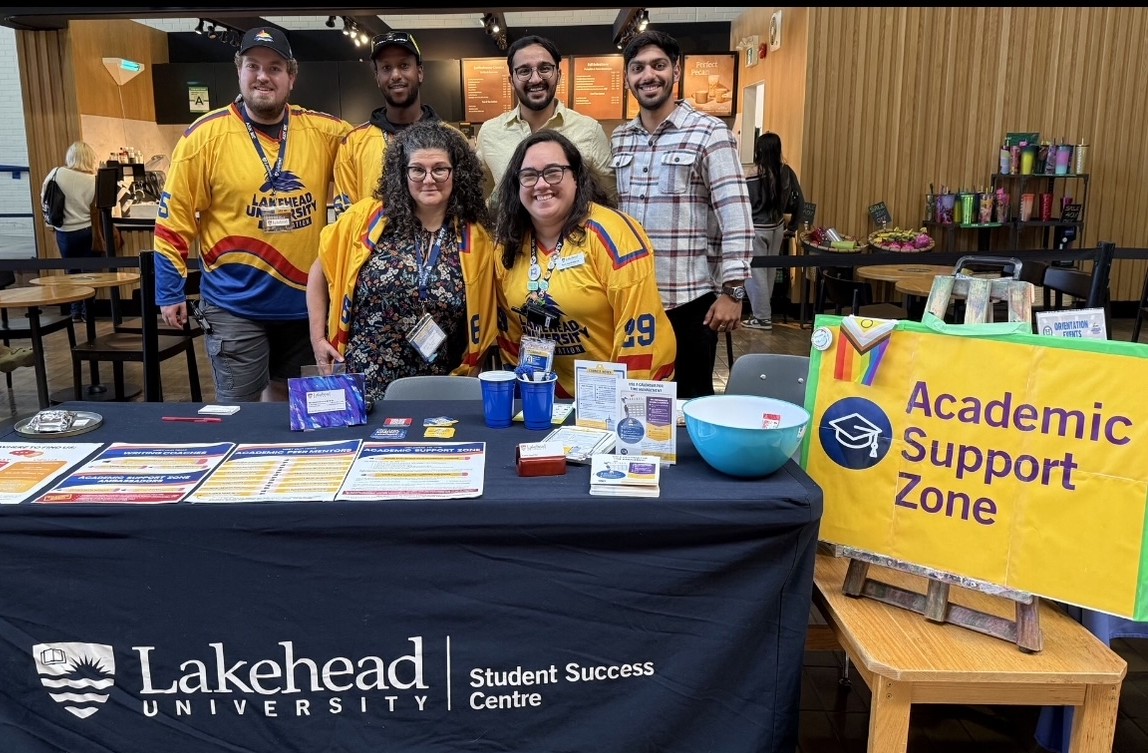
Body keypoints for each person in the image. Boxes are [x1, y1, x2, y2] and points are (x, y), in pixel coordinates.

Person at [154, 27, 351, 403]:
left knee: (300, 405)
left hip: (305, 304)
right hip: (234, 305)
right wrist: (169, 291)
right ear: (238, 72)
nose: (263, 76)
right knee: (241, 411)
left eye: (275, 68)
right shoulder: (204, 138)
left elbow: (372, 142)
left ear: (291, 78)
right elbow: (173, 219)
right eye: (253, 66)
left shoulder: (324, 131)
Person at [308, 121, 498, 405]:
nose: (428, 179)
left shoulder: (476, 239)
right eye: (417, 169)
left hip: (438, 386)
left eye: (440, 169)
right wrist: (317, 338)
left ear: (457, 173)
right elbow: (319, 271)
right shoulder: (364, 220)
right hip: (362, 381)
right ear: (402, 173)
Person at [611, 30, 754, 398]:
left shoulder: (710, 133)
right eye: (638, 68)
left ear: (676, 70)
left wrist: (733, 293)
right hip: (632, 305)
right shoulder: (621, 139)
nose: (648, 76)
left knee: (690, 404)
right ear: (627, 77)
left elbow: (736, 217)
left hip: (689, 304)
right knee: (633, 401)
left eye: (658, 65)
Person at [493, 130, 675, 399]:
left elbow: (640, 334)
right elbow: (510, 331)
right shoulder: (507, 245)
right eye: (529, 175)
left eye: (554, 172)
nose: (541, 184)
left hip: (625, 387)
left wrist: (623, 402)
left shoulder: (614, 233)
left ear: (576, 177)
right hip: (552, 392)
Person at [476, 35, 613, 202]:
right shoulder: (490, 132)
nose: (535, 79)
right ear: (511, 81)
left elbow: (609, 198)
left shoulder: (589, 130)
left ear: (559, 75)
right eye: (524, 71)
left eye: (545, 68)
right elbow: (484, 197)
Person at [333, 30, 443, 216]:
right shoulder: (353, 144)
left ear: (420, 72)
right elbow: (346, 222)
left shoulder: (451, 139)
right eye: (386, 68)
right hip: (372, 244)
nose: (395, 75)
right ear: (377, 77)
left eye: (404, 65)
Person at [744, 132, 804, 330]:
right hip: (777, 228)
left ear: (758, 150)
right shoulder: (786, 171)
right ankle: (762, 314)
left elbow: (744, 206)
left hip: (756, 229)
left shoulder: (751, 175)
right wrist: (793, 227)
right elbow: (799, 202)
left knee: (754, 274)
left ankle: (762, 318)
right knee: (769, 272)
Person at [41, 141, 98, 321]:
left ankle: (75, 312)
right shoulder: (93, 180)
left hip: (64, 231)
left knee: (71, 273)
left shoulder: (56, 173)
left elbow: (45, 199)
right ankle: (89, 313)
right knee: (90, 275)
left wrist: (50, 224)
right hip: (87, 230)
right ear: (89, 158)